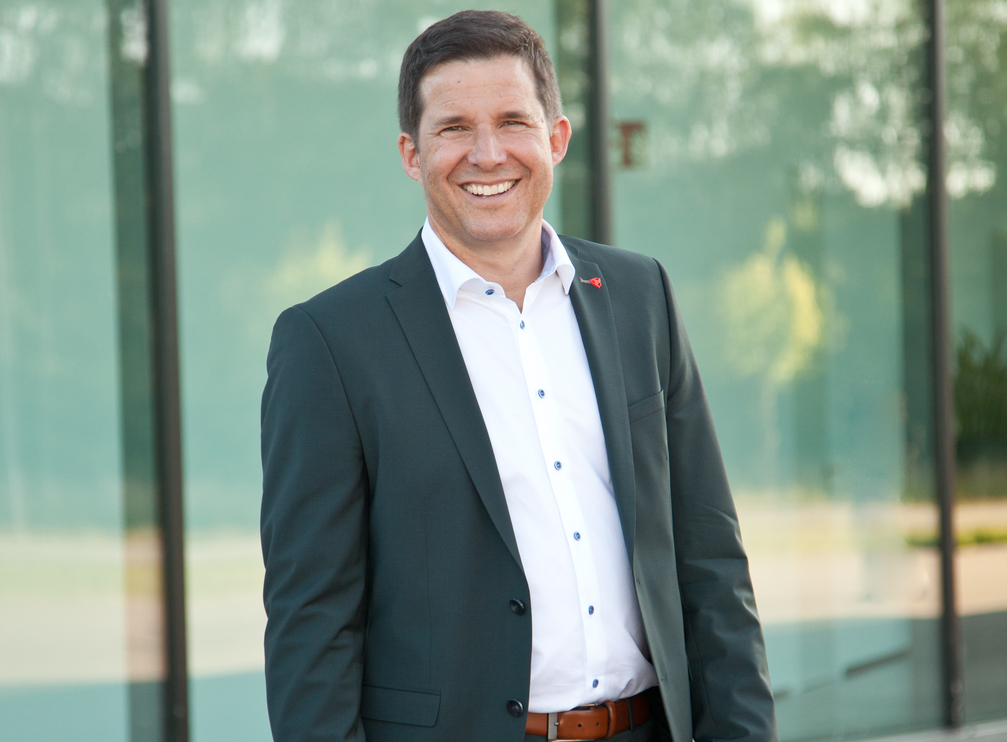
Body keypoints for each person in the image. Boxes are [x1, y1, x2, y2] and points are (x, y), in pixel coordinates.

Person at [261, 9, 777, 742]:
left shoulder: (640, 296)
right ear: (412, 154)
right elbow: (312, 622)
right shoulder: (331, 342)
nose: (487, 153)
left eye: (512, 122)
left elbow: (710, 559)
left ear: (555, 138)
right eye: (453, 128)